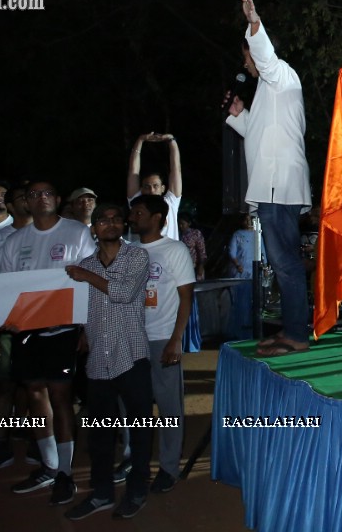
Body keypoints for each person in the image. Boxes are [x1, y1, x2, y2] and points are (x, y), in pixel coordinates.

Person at [224, 0, 313, 355]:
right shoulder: (270, 90)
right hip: (273, 185)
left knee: (286, 262)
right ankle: (291, 329)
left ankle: (296, 335)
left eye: (247, 56)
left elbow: (264, 55)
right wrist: (237, 115)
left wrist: (253, 23)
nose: (246, 64)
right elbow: (261, 134)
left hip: (279, 185)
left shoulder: (279, 75)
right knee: (283, 262)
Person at [0, 180, 95, 503]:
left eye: (47, 193)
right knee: (35, 393)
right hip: (27, 332)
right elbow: (7, 285)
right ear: (25, 201)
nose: (41, 199)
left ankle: (66, 472)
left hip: (63, 330)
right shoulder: (15, 241)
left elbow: (89, 278)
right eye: (33, 194)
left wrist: (85, 327)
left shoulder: (76, 233)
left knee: (61, 396)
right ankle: (50, 465)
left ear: (57, 198)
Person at [63, 204, 153, 521]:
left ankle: (138, 488)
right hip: (98, 359)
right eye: (103, 220)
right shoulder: (84, 264)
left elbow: (124, 293)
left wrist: (86, 276)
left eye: (116, 219)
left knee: (140, 427)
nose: (110, 224)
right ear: (94, 228)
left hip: (131, 354)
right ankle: (101, 492)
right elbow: (77, 309)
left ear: (123, 224)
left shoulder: (137, 257)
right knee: (100, 434)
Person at [129, 194, 194, 494]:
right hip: (132, 340)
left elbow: (186, 297)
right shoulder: (128, 251)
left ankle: (169, 467)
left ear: (157, 218)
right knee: (133, 406)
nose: (133, 217)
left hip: (163, 339)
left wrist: (176, 340)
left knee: (169, 409)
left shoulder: (174, 249)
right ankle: (135, 461)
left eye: (139, 212)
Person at [127, 134, 183, 240]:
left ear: (163, 188)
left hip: (168, 256)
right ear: (141, 189)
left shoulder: (171, 202)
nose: (151, 190)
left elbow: (176, 169)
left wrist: (171, 141)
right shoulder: (136, 203)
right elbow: (133, 171)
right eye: (147, 186)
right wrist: (140, 140)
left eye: (155, 186)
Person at [178, 206, 207, 281]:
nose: (180, 226)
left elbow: (202, 252)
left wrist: (200, 266)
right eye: (179, 224)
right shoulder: (177, 234)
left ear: (189, 223)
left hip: (194, 267)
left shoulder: (195, 233)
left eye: (182, 224)